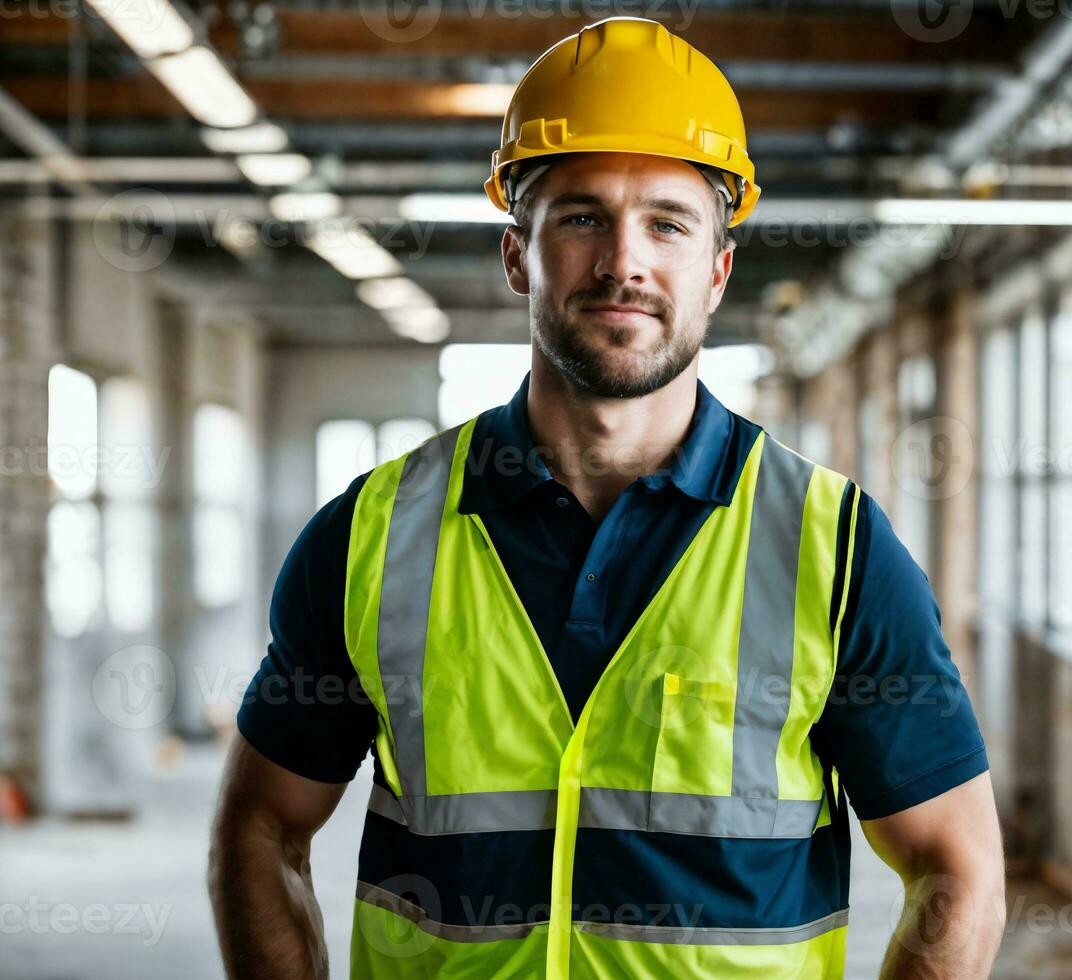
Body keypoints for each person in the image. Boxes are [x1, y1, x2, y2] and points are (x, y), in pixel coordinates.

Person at [209, 16, 1005, 979]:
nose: (623, 262)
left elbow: (956, 871)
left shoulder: (835, 550)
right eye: (580, 216)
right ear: (517, 256)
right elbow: (259, 831)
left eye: (668, 223)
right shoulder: (371, 538)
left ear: (715, 271)